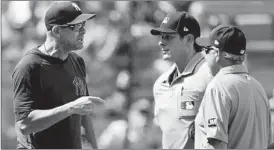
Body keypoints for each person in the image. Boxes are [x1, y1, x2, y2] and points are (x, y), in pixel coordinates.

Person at [12, 1, 105, 149]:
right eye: (76, 26)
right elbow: (24, 124)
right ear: (56, 31)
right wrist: (71, 108)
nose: (83, 31)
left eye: (83, 25)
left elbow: (84, 115)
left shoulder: (77, 61)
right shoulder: (30, 66)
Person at [194, 25, 273, 149]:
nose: (203, 55)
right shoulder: (258, 87)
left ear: (217, 53)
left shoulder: (219, 86)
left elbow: (217, 144)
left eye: (206, 49)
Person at [150, 11, 213, 149]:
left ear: (189, 39)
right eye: (161, 36)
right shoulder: (160, 84)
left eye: (168, 37)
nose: (161, 42)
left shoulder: (210, 75)